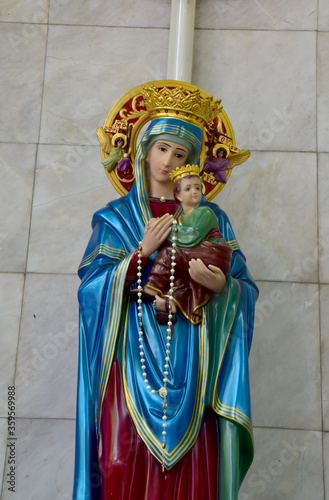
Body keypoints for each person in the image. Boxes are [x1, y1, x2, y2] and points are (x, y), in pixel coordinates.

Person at [73, 84, 258, 500]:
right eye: (162, 149)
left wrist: (223, 288)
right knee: (119, 459)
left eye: (180, 155)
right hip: (130, 362)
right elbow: (90, 293)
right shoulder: (116, 217)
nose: (169, 161)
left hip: (196, 360)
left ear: (190, 166)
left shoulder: (213, 219)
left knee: (195, 468)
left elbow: (244, 288)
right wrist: (140, 254)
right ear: (144, 151)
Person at [142, 166, 233, 325]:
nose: (195, 191)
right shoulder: (181, 220)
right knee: (179, 273)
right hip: (199, 255)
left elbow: (192, 236)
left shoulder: (205, 212)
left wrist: (164, 228)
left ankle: (151, 288)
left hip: (215, 253)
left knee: (171, 253)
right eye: (188, 188)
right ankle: (171, 303)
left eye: (198, 187)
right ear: (178, 195)